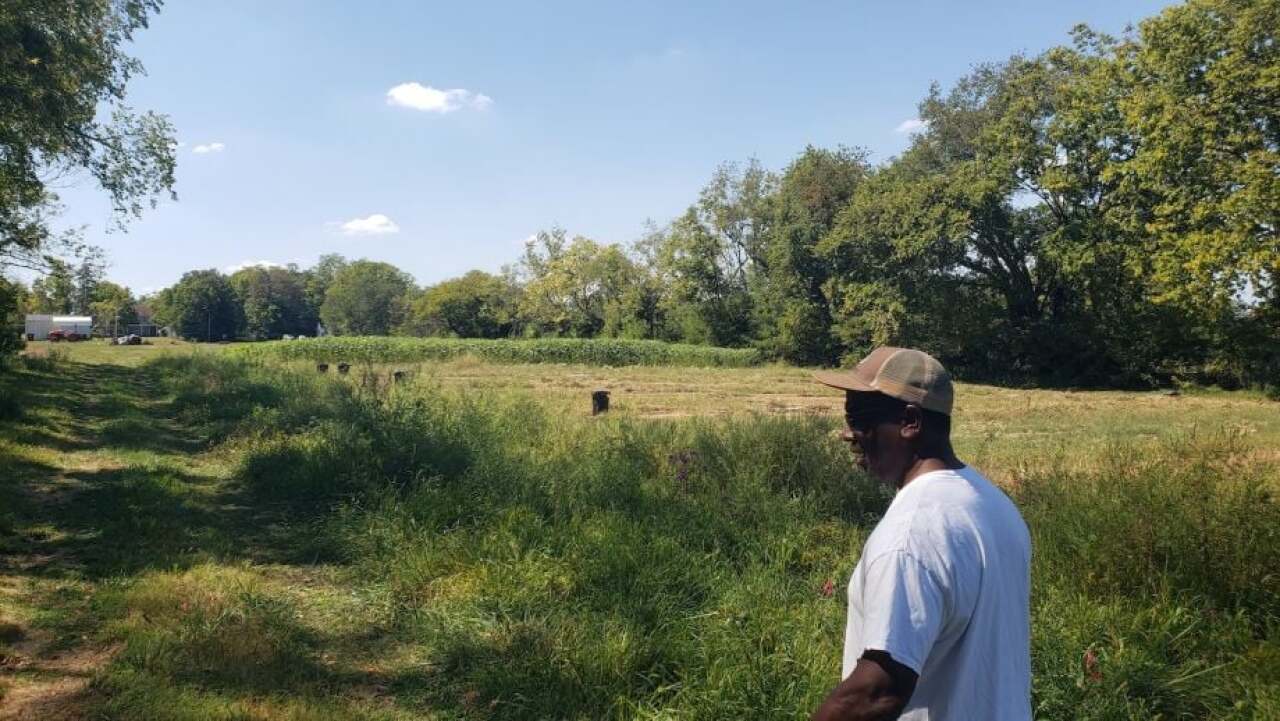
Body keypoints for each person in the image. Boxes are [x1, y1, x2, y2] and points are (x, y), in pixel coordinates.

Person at [810, 347, 1031, 721]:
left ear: (910, 421)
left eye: (859, 419)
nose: (848, 434)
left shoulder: (911, 534)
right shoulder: (995, 506)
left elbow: (878, 691)